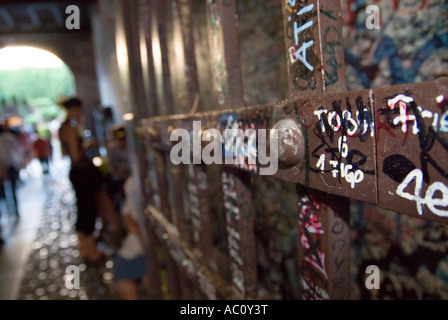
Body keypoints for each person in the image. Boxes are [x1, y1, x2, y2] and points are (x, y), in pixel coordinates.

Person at [58, 97, 119, 262]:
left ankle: (86, 248)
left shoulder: (65, 127)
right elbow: (76, 155)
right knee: (87, 209)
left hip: (79, 172)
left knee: (84, 208)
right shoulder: (70, 128)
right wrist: (89, 145)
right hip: (82, 172)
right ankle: (90, 250)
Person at [113, 176, 147, 300]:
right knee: (122, 277)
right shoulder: (132, 182)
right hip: (140, 245)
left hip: (149, 247)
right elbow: (127, 215)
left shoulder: (133, 182)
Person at [0, 121, 23, 217]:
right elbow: (17, 152)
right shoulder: (10, 138)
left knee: (4, 189)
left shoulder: (6, 139)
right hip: (11, 165)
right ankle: (15, 208)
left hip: (3, 166)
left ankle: (9, 208)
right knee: (13, 188)